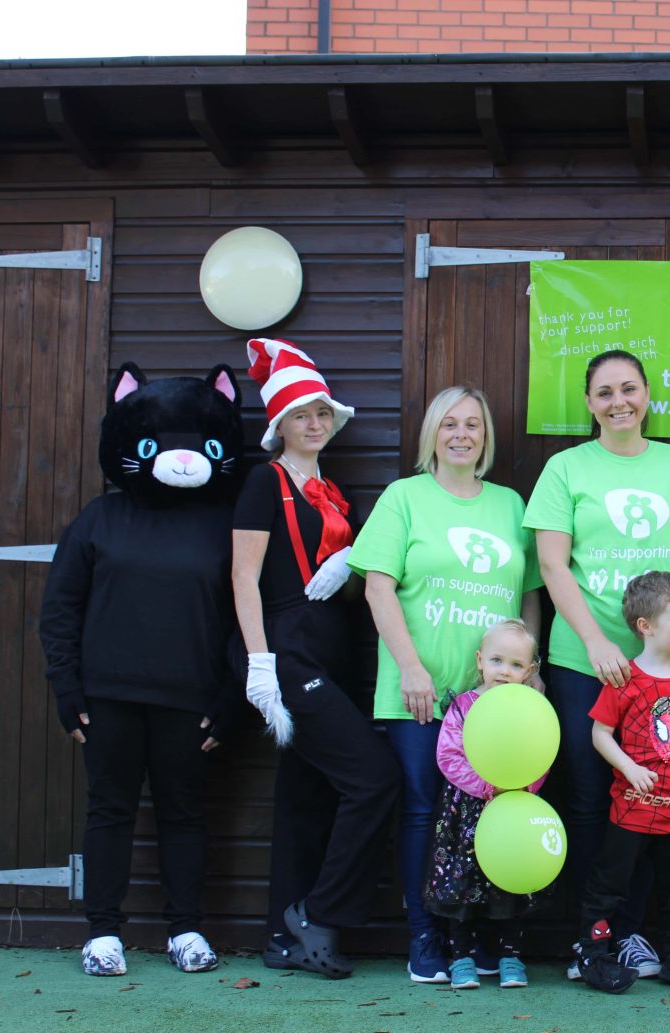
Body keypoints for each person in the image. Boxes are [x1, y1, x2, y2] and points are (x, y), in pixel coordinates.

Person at [39, 363, 245, 977]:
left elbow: (246, 619)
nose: (181, 460)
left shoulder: (225, 524)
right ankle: (103, 933)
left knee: (185, 814)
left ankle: (185, 929)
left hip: (192, 703)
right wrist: (65, 686)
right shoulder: (99, 518)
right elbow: (59, 609)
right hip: (107, 699)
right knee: (109, 811)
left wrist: (232, 695)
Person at [525, 349, 670, 979]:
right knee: (592, 798)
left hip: (666, 665)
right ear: (589, 403)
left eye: (629, 389)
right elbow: (554, 565)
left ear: (646, 395)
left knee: (661, 797)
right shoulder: (564, 468)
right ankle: (595, 936)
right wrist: (594, 641)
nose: (619, 402)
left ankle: (637, 935)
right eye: (605, 392)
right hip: (589, 662)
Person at [348, 385, 543, 983]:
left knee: (491, 816)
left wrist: (528, 680)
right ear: (431, 432)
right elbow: (377, 586)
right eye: (449, 423)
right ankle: (426, 938)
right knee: (424, 813)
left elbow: (529, 595)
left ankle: (482, 939)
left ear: (486, 437)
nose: (462, 434)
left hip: (496, 702)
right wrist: (410, 666)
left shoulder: (511, 505)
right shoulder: (404, 498)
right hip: (422, 694)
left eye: (474, 425)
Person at [231, 338, 401, 979]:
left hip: (336, 650)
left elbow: (353, 586)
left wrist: (348, 564)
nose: (315, 423)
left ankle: (283, 933)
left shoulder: (336, 490)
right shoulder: (263, 481)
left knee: (306, 795)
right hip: (288, 652)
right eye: (302, 414)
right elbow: (243, 577)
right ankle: (319, 913)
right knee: (373, 777)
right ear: (280, 424)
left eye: (323, 413)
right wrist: (258, 662)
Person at [571, 571, 670, 995]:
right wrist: (629, 768)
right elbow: (599, 734)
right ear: (646, 626)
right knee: (609, 886)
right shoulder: (624, 680)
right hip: (634, 809)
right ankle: (594, 953)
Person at [422, 619, 549, 991]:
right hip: (466, 810)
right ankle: (461, 957)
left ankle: (510, 956)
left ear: (530, 670)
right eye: (496, 661)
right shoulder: (464, 705)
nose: (504, 671)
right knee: (461, 883)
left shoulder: (530, 708)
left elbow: (542, 751)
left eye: (515, 665)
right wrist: (485, 785)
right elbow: (448, 755)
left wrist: (522, 785)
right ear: (480, 660)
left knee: (510, 880)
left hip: (513, 808)